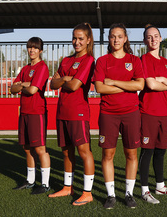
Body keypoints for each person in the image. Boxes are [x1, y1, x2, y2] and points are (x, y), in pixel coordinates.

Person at [92, 23, 144, 209]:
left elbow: (139, 85)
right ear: (109, 39)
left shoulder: (134, 60)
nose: (116, 39)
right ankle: (111, 195)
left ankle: (129, 193)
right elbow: (99, 88)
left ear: (125, 39)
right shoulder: (102, 61)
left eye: (119, 36)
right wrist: (126, 85)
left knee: (131, 153)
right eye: (113, 36)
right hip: (108, 113)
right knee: (108, 154)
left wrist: (113, 82)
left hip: (131, 113)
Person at [49, 23, 95, 206]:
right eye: (74, 38)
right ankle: (68, 187)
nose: (76, 42)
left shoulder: (89, 60)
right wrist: (66, 79)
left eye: (81, 39)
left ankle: (87, 192)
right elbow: (52, 85)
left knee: (84, 152)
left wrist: (63, 80)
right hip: (62, 112)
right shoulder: (66, 60)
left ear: (88, 40)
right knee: (66, 152)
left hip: (78, 112)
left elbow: (76, 85)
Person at [138, 25, 167, 204]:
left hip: (164, 112)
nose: (153, 39)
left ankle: (160, 186)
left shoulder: (166, 62)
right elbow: (151, 86)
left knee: (161, 151)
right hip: (148, 111)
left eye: (156, 36)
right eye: (149, 37)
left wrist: (162, 80)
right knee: (147, 151)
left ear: (161, 38)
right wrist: (166, 83)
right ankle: (144, 190)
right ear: (145, 41)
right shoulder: (143, 60)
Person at [11, 37, 51, 195]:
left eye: (35, 48)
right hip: (25, 112)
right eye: (30, 47)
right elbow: (12, 89)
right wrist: (25, 84)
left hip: (37, 112)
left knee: (40, 149)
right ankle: (30, 180)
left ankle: (45, 183)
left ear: (41, 50)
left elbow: (34, 90)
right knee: (27, 148)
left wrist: (22, 85)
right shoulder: (25, 69)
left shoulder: (42, 67)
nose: (32, 50)